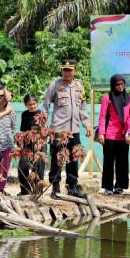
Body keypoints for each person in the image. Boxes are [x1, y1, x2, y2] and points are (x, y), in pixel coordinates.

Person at [42, 59, 91, 199]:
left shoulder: (80, 85)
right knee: (57, 159)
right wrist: (43, 126)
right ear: (62, 70)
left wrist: (87, 124)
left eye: (70, 70)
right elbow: (45, 105)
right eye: (65, 70)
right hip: (58, 129)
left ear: (75, 71)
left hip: (74, 130)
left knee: (73, 158)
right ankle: (55, 187)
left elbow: (83, 108)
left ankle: (72, 186)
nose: (67, 72)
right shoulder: (55, 85)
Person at [97, 74, 130, 195]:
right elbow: (102, 116)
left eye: (122, 84)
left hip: (124, 135)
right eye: (118, 84)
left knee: (122, 162)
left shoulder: (129, 98)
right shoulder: (107, 98)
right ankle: (108, 187)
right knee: (108, 162)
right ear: (113, 85)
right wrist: (101, 133)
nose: (120, 86)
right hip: (110, 134)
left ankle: (120, 186)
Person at [17, 94, 46, 195]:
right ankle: (25, 191)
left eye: (34, 104)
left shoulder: (40, 114)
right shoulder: (24, 114)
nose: (32, 106)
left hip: (39, 145)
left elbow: (44, 131)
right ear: (26, 104)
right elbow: (22, 131)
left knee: (38, 170)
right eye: (30, 104)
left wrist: (39, 142)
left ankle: (38, 192)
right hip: (27, 146)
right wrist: (19, 143)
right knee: (22, 168)